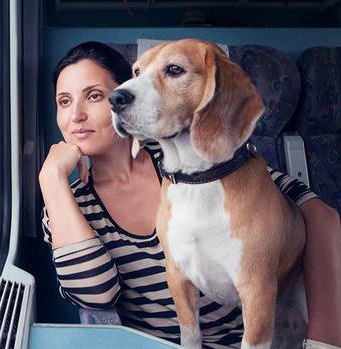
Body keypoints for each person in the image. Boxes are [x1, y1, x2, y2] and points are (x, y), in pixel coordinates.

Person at [39, 41, 341, 348]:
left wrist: (324, 341)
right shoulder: (66, 203)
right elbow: (95, 293)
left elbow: (315, 212)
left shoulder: (190, 158)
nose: (75, 115)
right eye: (63, 102)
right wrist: (51, 179)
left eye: (95, 96)